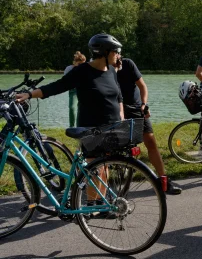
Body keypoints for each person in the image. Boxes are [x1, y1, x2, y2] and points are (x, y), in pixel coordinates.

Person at [17, 33, 125, 210]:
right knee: (94, 167)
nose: (118, 55)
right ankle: (91, 207)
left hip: (112, 126)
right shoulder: (82, 71)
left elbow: (119, 96)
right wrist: (29, 94)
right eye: (116, 52)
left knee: (104, 166)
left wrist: (121, 115)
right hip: (91, 127)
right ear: (105, 52)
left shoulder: (112, 71)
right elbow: (56, 87)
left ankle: (102, 205)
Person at [113, 56, 182, 195]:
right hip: (117, 110)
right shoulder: (104, 69)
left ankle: (164, 182)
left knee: (151, 143)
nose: (116, 57)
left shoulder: (128, 64)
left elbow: (142, 86)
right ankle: (114, 188)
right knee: (115, 148)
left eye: (117, 53)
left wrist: (144, 104)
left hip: (136, 108)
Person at [64, 51, 86, 127]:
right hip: (73, 91)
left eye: (83, 64)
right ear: (75, 62)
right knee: (72, 108)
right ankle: (72, 127)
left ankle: (80, 127)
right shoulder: (69, 68)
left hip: (83, 90)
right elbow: (64, 81)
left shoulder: (86, 68)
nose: (81, 65)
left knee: (81, 109)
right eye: (79, 64)